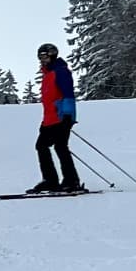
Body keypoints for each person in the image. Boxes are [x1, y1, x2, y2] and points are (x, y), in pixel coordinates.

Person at [30, 44, 84, 193]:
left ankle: (71, 181)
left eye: (44, 56)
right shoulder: (47, 75)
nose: (42, 60)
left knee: (60, 147)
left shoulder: (61, 71)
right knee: (41, 146)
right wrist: (44, 121)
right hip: (49, 119)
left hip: (62, 117)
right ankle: (50, 181)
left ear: (52, 55)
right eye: (40, 57)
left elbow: (68, 94)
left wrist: (67, 115)